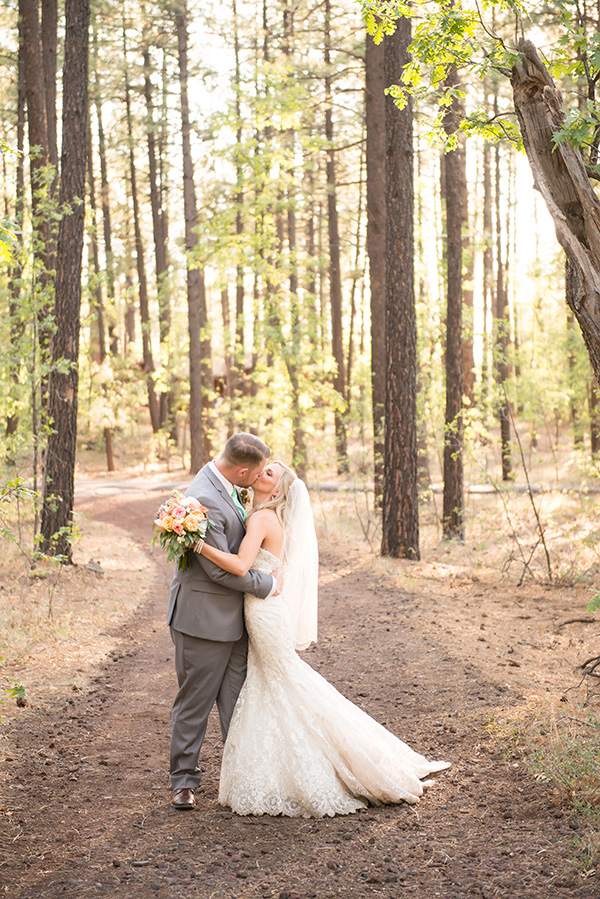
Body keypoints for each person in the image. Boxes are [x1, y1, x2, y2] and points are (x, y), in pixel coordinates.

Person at [196, 461, 450, 818]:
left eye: (269, 474)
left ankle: (337, 762)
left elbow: (240, 567)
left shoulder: (262, 519)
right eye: (262, 469)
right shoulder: (260, 513)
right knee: (279, 683)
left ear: (280, 490)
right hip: (267, 607)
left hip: (262, 610)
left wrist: (198, 544)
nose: (260, 473)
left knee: (284, 682)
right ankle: (299, 761)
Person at [167, 433, 277, 810]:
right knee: (195, 703)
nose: (263, 476)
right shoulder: (205, 498)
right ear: (242, 469)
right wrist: (268, 582)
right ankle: (183, 781)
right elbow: (217, 572)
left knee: (238, 702)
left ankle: (243, 776)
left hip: (237, 620)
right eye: (260, 471)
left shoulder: (227, 483)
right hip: (202, 620)